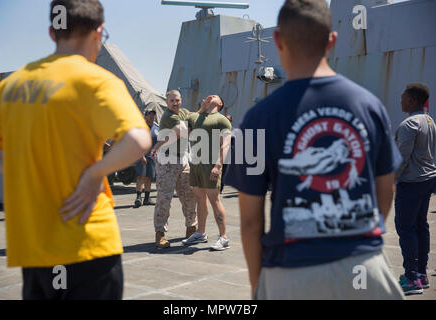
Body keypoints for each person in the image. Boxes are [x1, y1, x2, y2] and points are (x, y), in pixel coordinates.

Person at [225, 0, 404, 300]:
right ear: (331, 40)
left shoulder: (254, 120)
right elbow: (386, 191)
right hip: (363, 269)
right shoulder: (371, 106)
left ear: (278, 40)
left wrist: (259, 286)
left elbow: (250, 221)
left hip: (291, 273)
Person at [0, 0, 151, 300]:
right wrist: (95, 173)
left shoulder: (15, 84)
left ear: (52, 32)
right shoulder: (97, 81)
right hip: (88, 242)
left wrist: (13, 167)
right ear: (99, 32)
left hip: (35, 248)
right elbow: (138, 140)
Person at [394, 83, 436, 295]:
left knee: (406, 228)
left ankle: (411, 279)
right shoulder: (429, 120)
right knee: (421, 226)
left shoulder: (409, 124)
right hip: (427, 180)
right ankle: (421, 273)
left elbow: (402, 157)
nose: (400, 100)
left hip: (411, 182)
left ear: (411, 100)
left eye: (402, 96)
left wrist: (390, 179)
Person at [182, 95, 232, 251]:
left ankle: (223, 238)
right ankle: (201, 232)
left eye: (214, 96)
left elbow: (226, 144)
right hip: (195, 164)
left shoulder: (221, 119)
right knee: (199, 198)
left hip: (211, 165)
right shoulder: (196, 116)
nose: (210, 96)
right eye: (208, 96)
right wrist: (201, 109)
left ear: (220, 103)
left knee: (214, 199)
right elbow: (184, 133)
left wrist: (218, 165)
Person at [150, 90, 197, 248]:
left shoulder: (183, 112)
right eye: (172, 101)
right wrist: (196, 117)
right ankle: (160, 234)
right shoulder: (168, 117)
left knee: (189, 196)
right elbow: (185, 130)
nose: (175, 103)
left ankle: (191, 229)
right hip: (167, 161)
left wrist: (202, 110)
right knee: (164, 198)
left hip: (183, 158)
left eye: (177, 100)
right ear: (167, 102)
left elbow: (193, 116)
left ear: (181, 100)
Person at [134, 109, 159, 208]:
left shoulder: (157, 128)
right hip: (142, 157)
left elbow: (159, 142)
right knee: (141, 176)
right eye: (149, 115)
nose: (151, 117)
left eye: (153, 115)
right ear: (145, 116)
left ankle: (147, 198)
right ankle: (138, 197)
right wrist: (142, 156)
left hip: (152, 157)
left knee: (149, 177)